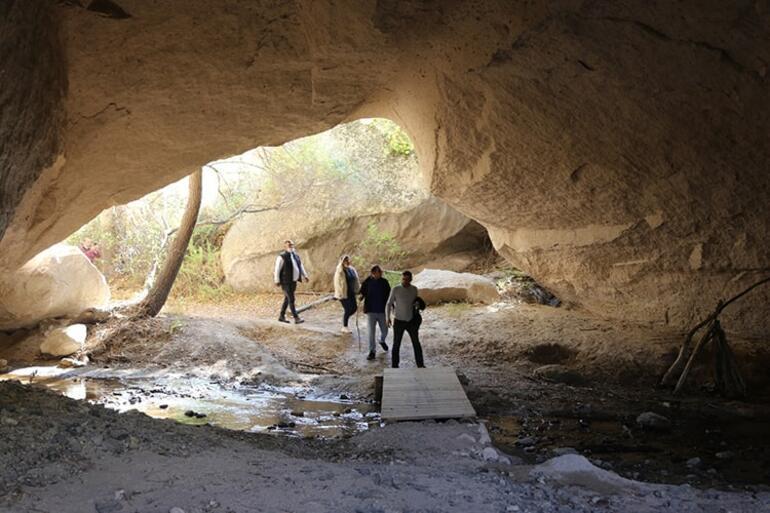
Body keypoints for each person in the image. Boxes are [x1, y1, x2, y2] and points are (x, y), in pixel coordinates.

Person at [386, 270, 425, 368]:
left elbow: (416, 302)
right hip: (399, 320)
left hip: (411, 320)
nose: (405, 281)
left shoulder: (414, 289)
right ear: (401, 278)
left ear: (411, 279)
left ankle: (420, 364)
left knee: (416, 343)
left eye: (407, 279)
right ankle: (395, 366)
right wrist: (387, 317)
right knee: (396, 344)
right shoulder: (396, 289)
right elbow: (388, 304)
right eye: (403, 279)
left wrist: (417, 305)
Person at [359, 265, 391, 360]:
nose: (379, 274)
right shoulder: (367, 281)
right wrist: (361, 297)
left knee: (385, 330)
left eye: (380, 272)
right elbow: (362, 292)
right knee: (371, 332)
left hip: (382, 310)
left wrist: (391, 309)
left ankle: (381, 340)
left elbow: (389, 296)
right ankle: (372, 351)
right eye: (377, 272)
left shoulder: (384, 282)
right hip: (371, 311)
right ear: (373, 273)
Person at [274, 240, 309, 324]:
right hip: (285, 281)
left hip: (293, 281)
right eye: (289, 245)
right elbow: (277, 269)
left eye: (292, 245)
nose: (291, 247)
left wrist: (305, 275)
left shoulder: (296, 255)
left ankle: (281, 316)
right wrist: (277, 280)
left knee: (287, 299)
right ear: (285, 247)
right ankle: (296, 318)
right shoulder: (282, 257)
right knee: (291, 299)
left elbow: (300, 266)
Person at [333, 255, 360, 333]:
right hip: (343, 294)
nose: (347, 262)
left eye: (348, 260)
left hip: (351, 292)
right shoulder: (339, 271)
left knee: (354, 308)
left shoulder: (351, 270)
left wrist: (358, 290)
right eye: (345, 260)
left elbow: (356, 281)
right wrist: (339, 295)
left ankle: (345, 320)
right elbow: (337, 283)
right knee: (348, 309)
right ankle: (345, 326)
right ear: (342, 262)